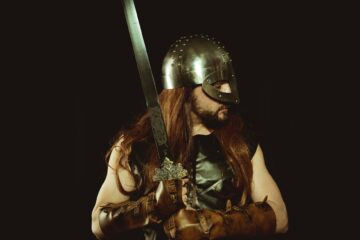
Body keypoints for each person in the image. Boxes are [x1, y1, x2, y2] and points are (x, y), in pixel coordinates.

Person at [91, 35, 288, 240]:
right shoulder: (136, 145)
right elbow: (97, 224)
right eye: (218, 85)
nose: (229, 92)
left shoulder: (240, 142)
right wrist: (151, 208)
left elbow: (281, 218)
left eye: (229, 83)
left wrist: (212, 224)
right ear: (185, 90)